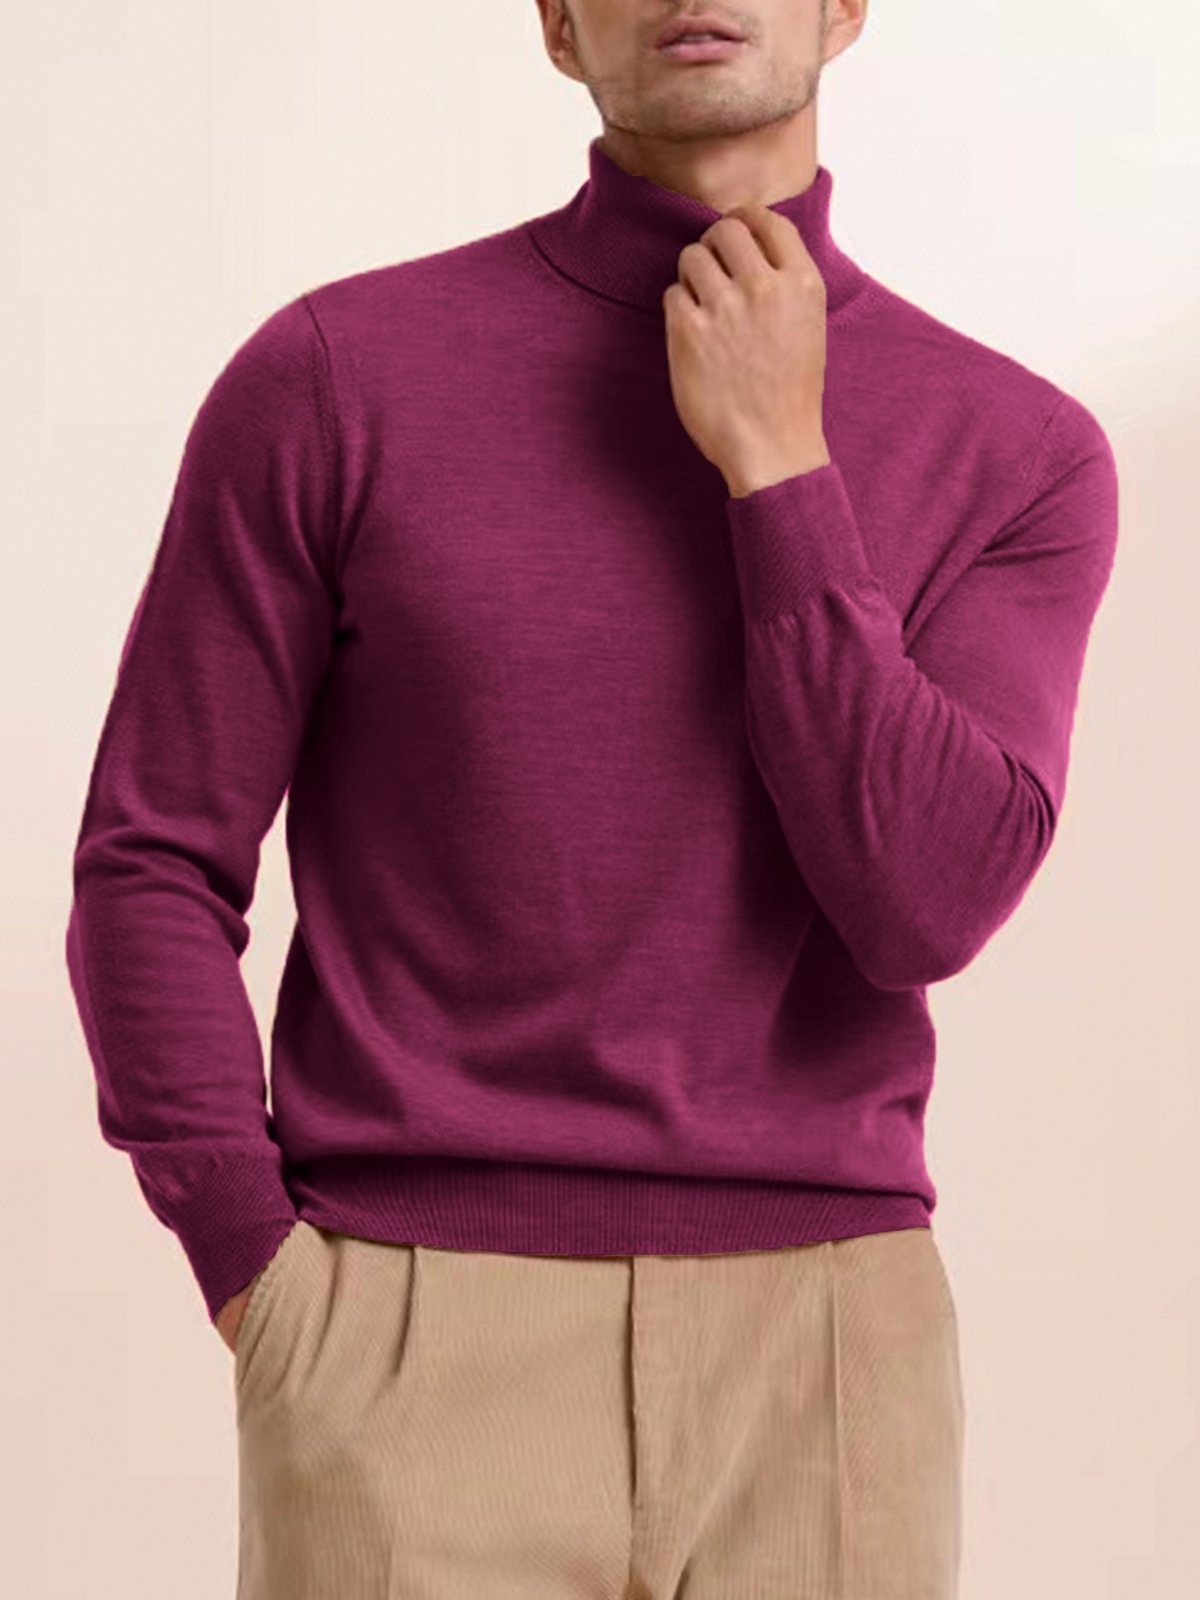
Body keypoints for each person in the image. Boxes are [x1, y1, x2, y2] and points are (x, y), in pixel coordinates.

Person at [64, 1, 1119, 1595]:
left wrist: (780, 467)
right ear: (560, 24)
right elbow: (152, 854)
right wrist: (257, 1273)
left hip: (832, 1347)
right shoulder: (336, 378)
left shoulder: (1018, 450)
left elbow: (925, 907)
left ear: (844, 4)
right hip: (405, 1327)